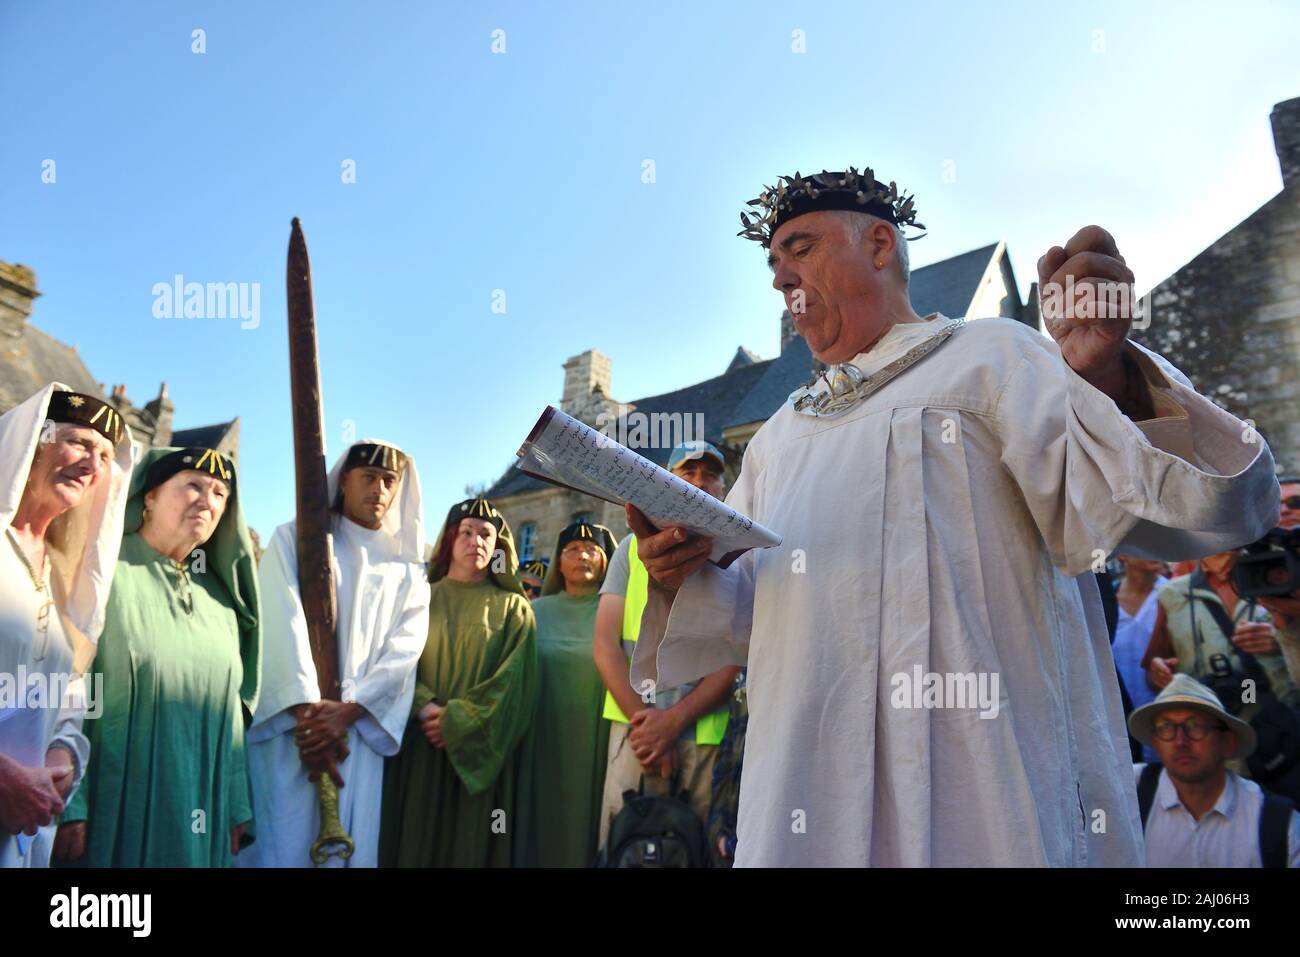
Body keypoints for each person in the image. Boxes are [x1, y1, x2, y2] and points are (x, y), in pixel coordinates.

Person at [627, 167, 1280, 866]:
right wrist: (680, 573)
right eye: (773, 262)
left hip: (987, 790)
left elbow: (1185, 508)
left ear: (880, 244)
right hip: (807, 793)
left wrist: (1109, 382)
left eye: (801, 248)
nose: (780, 278)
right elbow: (755, 618)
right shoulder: (777, 438)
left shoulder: (995, 357)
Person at [55, 447, 260, 867]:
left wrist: (237, 801)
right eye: (193, 486)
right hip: (116, 802)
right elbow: (68, 687)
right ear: (148, 496)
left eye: (221, 492)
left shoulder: (221, 601)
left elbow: (232, 712)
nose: (208, 500)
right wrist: (71, 804)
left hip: (203, 804)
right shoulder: (102, 570)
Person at [244, 440, 430, 867]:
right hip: (297, 733)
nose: (379, 490)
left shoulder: (407, 568)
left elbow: (406, 648)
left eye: (388, 481)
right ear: (344, 480)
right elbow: (281, 619)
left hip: (356, 736)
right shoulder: (295, 539)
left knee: (352, 844)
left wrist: (350, 710)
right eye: (368, 477)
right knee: (283, 840)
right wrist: (310, 714)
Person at [0, 385, 132, 868]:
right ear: (32, 440)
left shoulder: (61, 575)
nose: (92, 464)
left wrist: (62, 755)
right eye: (79, 442)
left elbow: (67, 700)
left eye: (103, 455)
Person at [593, 440, 739, 850]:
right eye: (687, 472)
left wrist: (671, 723)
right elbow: (605, 645)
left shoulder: (737, 558)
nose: (699, 481)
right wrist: (648, 727)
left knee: (696, 850)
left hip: (704, 740)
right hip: (634, 733)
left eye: (710, 474)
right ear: (664, 483)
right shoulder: (627, 550)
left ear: (723, 491)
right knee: (625, 845)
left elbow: (735, 658)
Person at [380, 497, 537, 867]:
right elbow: (391, 664)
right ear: (449, 540)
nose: (476, 541)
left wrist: (458, 722)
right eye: (466, 532)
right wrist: (424, 707)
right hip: (419, 745)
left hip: (480, 755)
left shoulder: (515, 609)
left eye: (486, 535)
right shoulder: (417, 599)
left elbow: (515, 686)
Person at [514, 520, 618, 866]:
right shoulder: (533, 612)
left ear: (607, 562)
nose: (582, 555)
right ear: (558, 562)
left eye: (592, 550)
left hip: (596, 740)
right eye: (572, 550)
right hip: (541, 737)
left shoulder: (616, 614)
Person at [1129, 674, 1299, 867]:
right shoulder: (1129, 791)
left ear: (1228, 743)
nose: (1180, 742)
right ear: (1156, 743)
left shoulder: (1277, 822)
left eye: (1195, 727)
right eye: (1166, 727)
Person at [1142, 551, 1298, 711]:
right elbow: (1154, 672)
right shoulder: (1172, 594)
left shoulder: (1281, 579)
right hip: (1207, 721)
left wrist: (1284, 639)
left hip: (1278, 718)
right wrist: (1158, 674)